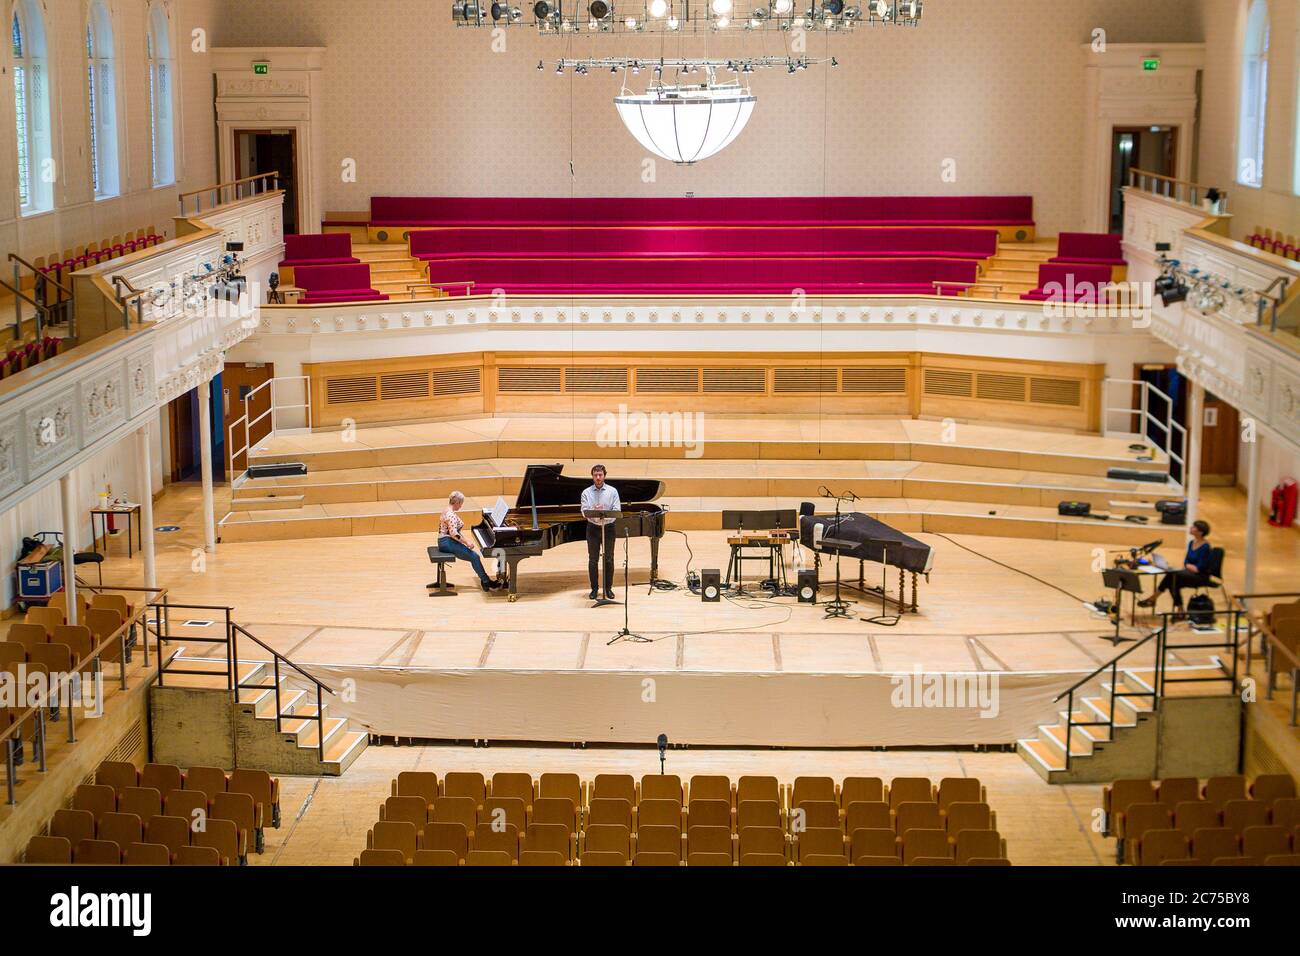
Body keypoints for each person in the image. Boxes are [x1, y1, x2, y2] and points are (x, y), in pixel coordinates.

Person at [1138, 519, 1215, 614]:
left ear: (1200, 532)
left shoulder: (1205, 547)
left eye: (1194, 527)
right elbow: (1186, 561)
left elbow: (1199, 568)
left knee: (1171, 576)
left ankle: (1153, 598)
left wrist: (1189, 566)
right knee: (1172, 582)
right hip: (1190, 573)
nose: (1191, 528)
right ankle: (1180, 610)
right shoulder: (1192, 543)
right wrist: (1188, 566)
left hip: (1201, 577)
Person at [437, 491, 499, 591]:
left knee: (474, 556)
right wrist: (467, 542)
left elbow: (453, 532)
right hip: (447, 542)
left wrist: (465, 540)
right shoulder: (451, 515)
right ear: (456, 502)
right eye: (461, 503)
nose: (461, 506)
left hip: (444, 541)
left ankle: (486, 581)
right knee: (475, 557)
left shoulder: (446, 509)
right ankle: (486, 582)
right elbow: (453, 533)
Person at [581, 464, 620, 600]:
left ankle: (608, 588)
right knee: (593, 560)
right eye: (595, 475)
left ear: (604, 475)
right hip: (593, 528)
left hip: (608, 528)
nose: (598, 477)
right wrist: (595, 512)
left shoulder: (612, 491)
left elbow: (616, 510)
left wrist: (603, 513)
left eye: (600, 475)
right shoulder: (586, 492)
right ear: (592, 476)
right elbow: (584, 511)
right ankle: (594, 589)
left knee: (609, 559)